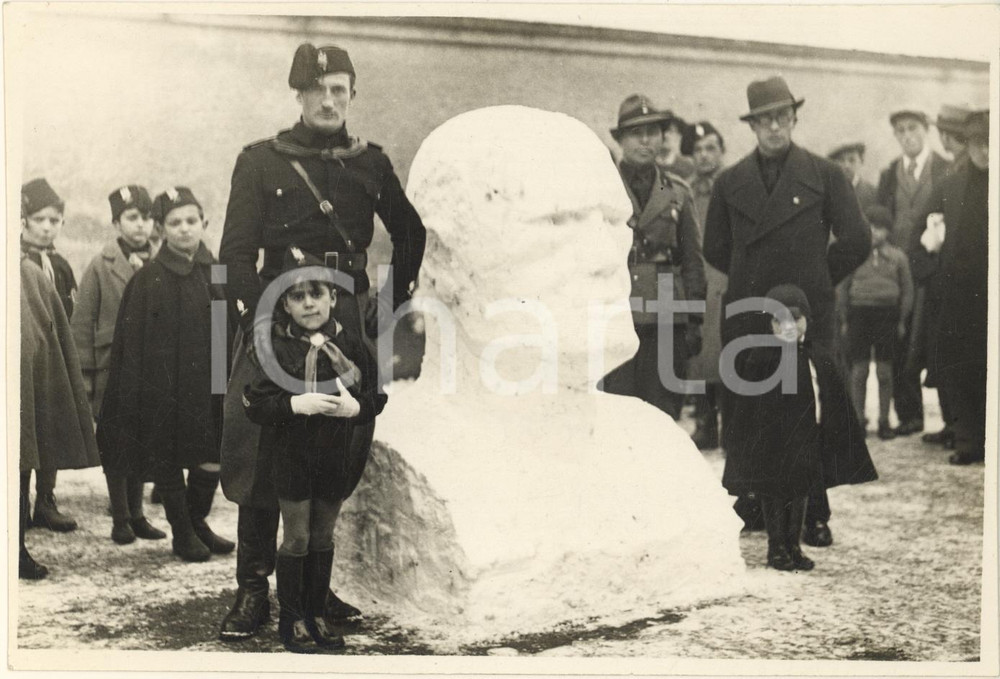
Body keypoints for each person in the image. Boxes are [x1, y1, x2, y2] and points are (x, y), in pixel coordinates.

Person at [217, 43, 426, 640]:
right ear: (300, 96)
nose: (329, 100)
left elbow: (409, 232)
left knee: (336, 447)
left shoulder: (370, 163)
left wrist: (384, 307)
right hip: (275, 322)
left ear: (351, 96)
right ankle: (253, 591)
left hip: (344, 328)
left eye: (340, 89)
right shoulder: (262, 161)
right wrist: (258, 316)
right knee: (262, 452)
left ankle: (312, 589)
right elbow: (235, 252)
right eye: (318, 90)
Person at [704, 76, 872, 548]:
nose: (774, 127)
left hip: (805, 314)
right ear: (752, 125)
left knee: (807, 410)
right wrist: (752, 282)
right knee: (752, 408)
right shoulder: (729, 182)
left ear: (794, 118)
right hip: (749, 312)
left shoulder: (824, 175)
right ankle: (754, 502)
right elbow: (715, 247)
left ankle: (814, 514)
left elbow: (858, 239)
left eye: (781, 117)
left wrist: (816, 280)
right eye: (763, 120)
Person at [243, 247, 384, 652]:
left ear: (333, 298)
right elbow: (254, 403)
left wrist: (356, 407)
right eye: (297, 296)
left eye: (316, 294)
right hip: (291, 456)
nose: (308, 303)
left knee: (323, 536)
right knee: (298, 537)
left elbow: (374, 395)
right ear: (284, 304)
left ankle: (317, 612)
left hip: (332, 455)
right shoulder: (276, 347)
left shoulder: (350, 344)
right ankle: (293, 620)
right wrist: (292, 403)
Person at [97, 187, 234, 562]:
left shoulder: (215, 267)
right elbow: (138, 343)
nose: (185, 230)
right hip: (168, 387)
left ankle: (197, 520)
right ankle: (182, 532)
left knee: (213, 455)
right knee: (170, 456)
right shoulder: (150, 278)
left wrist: (226, 375)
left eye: (192, 221)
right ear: (161, 229)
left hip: (211, 383)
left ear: (204, 223)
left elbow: (227, 321)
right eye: (175, 223)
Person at [71, 185, 167, 544]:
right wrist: (86, 380)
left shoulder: (162, 260)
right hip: (111, 369)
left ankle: (139, 514)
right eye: (132, 217)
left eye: (146, 218)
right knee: (115, 442)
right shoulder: (100, 265)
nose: (141, 225)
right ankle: (120, 518)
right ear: (115, 223)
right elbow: (82, 323)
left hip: (151, 369)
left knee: (143, 441)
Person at [601, 94, 706, 420]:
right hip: (614, 316)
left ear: (662, 136)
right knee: (615, 414)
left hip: (666, 319)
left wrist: (693, 320)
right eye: (635, 133)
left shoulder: (677, 191)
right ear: (620, 140)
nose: (645, 140)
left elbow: (692, 261)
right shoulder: (602, 188)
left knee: (662, 413)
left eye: (652, 131)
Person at [913, 110, 989, 465]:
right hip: (958, 298)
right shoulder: (951, 186)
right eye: (979, 144)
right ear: (969, 145)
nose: (987, 151)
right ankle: (968, 441)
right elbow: (917, 238)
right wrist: (933, 275)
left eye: (992, 143)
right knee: (960, 369)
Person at [20, 257, 101, 579]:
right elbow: (82, 321)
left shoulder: (214, 266)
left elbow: (220, 312)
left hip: (202, 374)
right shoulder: (98, 265)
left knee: (23, 451)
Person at [876, 107, 950, 438]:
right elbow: (880, 220)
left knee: (938, 340)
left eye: (913, 129)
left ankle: (954, 420)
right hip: (899, 273)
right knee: (901, 340)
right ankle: (910, 415)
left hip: (935, 270)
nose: (907, 136)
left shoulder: (945, 169)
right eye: (901, 131)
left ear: (926, 130)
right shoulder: (890, 174)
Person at [20, 178, 81, 533]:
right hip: (28, 358)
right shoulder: (16, 261)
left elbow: (69, 309)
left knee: (51, 431)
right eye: (39, 219)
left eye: (54, 220)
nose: (46, 227)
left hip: (54, 359)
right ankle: (18, 506)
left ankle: (46, 499)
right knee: (26, 433)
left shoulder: (60, 266)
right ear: (24, 220)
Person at [837, 205, 914, 440]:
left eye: (880, 228)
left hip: (887, 317)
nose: (874, 233)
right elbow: (842, 288)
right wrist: (844, 319)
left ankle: (884, 421)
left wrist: (901, 320)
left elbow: (907, 291)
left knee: (884, 372)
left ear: (888, 232)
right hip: (859, 315)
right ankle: (858, 421)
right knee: (859, 371)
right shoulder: (854, 255)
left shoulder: (898, 257)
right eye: (870, 228)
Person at [687, 121, 728, 450]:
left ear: (722, 152)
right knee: (700, 353)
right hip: (699, 279)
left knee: (728, 350)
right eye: (698, 150)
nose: (704, 155)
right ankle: (705, 423)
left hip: (728, 278)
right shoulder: (685, 192)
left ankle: (731, 423)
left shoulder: (734, 187)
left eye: (711, 148)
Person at [828, 142, 877, 210]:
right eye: (841, 160)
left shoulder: (872, 192)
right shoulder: (828, 192)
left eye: (852, 160)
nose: (846, 166)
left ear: (861, 162)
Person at [657, 114, 696, 180]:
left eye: (671, 131)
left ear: (679, 136)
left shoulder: (687, 166)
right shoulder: (648, 163)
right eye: (662, 130)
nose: (665, 135)